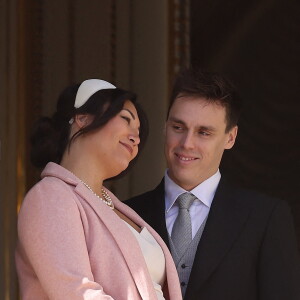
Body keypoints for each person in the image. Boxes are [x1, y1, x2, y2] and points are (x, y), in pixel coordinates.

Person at [126, 68, 300, 300]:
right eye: (178, 127)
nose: (187, 144)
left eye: (204, 133)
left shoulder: (265, 218)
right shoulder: (126, 214)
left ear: (230, 137)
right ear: (165, 125)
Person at [15, 79, 182, 300]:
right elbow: (79, 293)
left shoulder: (112, 205)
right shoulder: (50, 196)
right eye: (125, 119)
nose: (136, 137)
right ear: (82, 119)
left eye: (138, 131)